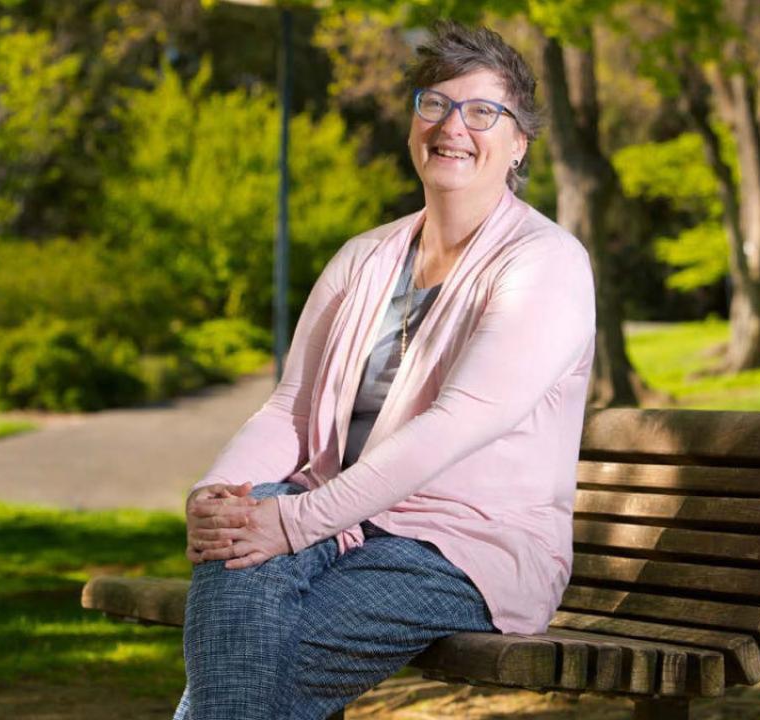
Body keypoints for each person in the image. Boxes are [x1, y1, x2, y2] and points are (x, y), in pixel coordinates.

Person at [174, 21, 596, 719]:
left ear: (519, 141)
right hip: (340, 521)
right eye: (435, 103)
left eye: (483, 111)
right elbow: (291, 408)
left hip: (466, 545)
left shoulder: (545, 264)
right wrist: (219, 494)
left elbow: (453, 424)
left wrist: (295, 521)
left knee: (258, 661)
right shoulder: (364, 257)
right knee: (235, 553)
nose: (453, 126)